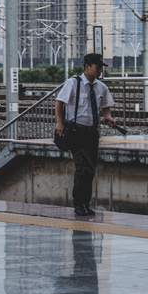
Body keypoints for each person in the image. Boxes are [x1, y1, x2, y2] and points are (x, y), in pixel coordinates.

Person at [55, 53, 116, 216]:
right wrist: (60, 122)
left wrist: (109, 118)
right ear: (87, 66)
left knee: (90, 168)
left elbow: (105, 107)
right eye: (97, 68)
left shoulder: (101, 87)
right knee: (82, 167)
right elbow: (59, 102)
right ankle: (78, 204)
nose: (99, 71)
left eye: (101, 68)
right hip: (76, 131)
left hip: (92, 133)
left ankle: (85, 203)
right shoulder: (73, 83)